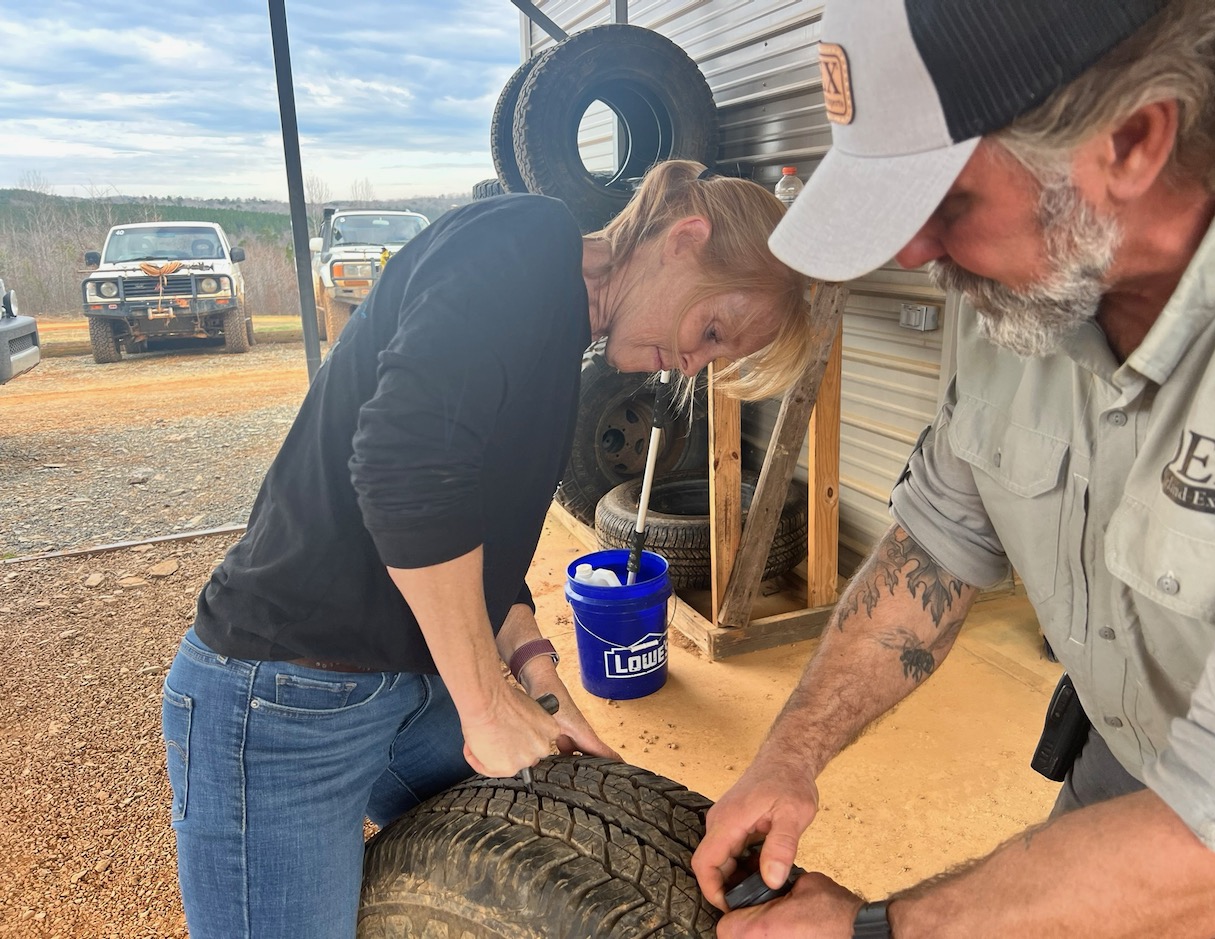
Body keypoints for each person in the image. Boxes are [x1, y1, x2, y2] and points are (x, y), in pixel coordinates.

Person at [691, 0, 1215, 936]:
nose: (911, 252)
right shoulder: (1028, 284)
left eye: (948, 203)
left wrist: (878, 929)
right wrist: (789, 752)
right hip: (1118, 774)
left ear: (1133, 139)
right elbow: (939, 545)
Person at [159, 159, 810, 939]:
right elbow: (401, 467)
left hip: (405, 686)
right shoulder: (525, 242)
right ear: (685, 239)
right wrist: (481, 701)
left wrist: (539, 680)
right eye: (711, 330)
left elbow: (485, 550)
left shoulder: (562, 338)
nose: (695, 363)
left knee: (582, 841)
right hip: (282, 694)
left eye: (716, 357)